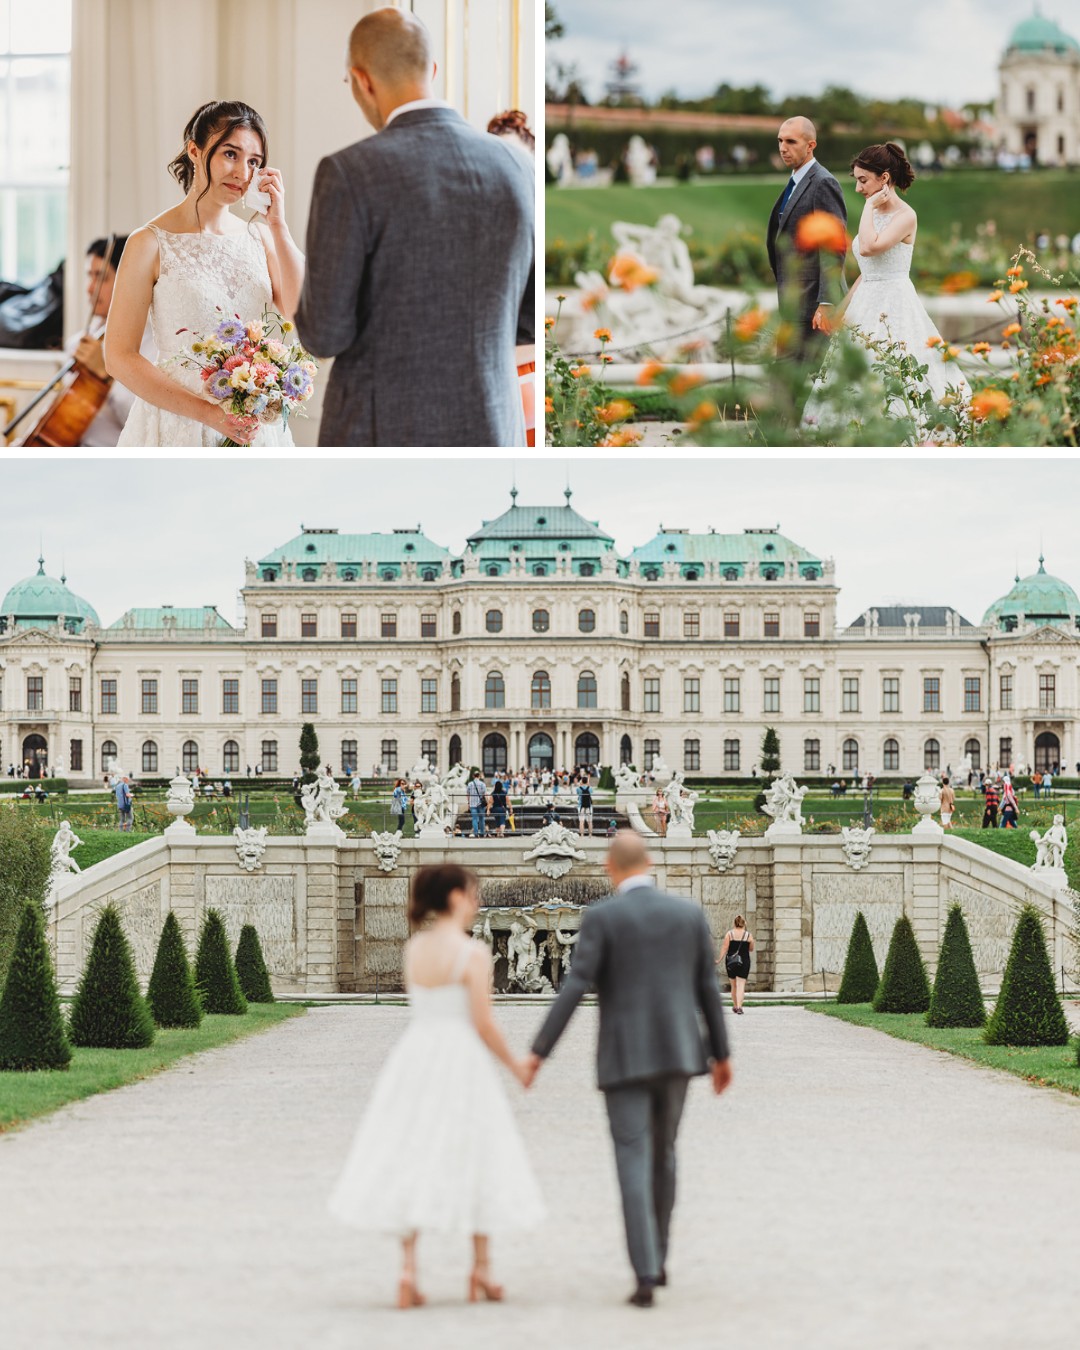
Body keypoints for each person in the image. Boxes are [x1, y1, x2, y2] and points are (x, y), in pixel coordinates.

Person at [294, 8, 534, 447]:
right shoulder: (519, 165)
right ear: (433, 70)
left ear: (361, 80)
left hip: (383, 433)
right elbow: (529, 318)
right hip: (494, 427)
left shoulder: (348, 172)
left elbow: (324, 334)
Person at [523, 833, 731, 1307]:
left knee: (632, 1160)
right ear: (649, 863)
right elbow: (707, 989)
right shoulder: (688, 914)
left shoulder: (601, 917)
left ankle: (644, 1271)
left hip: (623, 1058)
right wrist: (722, 1055)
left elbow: (575, 986)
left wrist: (539, 1052)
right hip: (679, 1055)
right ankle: (659, 1257)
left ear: (609, 868)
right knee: (666, 1156)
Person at [328, 864, 543, 1306]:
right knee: (478, 1150)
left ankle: (408, 1271)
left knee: (411, 1149)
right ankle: (480, 1271)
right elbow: (483, 1023)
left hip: (416, 1055)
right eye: (472, 893)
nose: (478, 901)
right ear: (454, 898)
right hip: (460, 1057)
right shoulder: (472, 953)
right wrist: (517, 1066)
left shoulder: (416, 948)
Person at [105, 100, 304, 447]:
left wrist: (279, 225)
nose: (243, 173)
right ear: (195, 151)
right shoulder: (148, 243)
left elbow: (304, 314)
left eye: (253, 162)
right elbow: (119, 357)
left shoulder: (260, 237)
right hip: (174, 427)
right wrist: (210, 415)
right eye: (230, 154)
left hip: (253, 427)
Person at [803, 142, 971, 440]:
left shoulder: (906, 216)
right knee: (854, 370)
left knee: (895, 368)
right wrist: (840, 310)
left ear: (884, 178)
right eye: (856, 180)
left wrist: (868, 207)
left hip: (895, 306)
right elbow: (866, 273)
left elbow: (868, 248)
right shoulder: (872, 212)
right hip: (865, 303)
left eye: (862, 180)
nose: (858, 188)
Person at [766, 116, 848, 363]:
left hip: (813, 305)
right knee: (789, 379)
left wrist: (826, 302)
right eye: (780, 140)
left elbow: (833, 246)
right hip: (794, 301)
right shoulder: (795, 181)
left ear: (811, 145)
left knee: (802, 381)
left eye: (791, 141)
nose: (783, 147)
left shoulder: (823, 182)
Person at [64, 237, 157, 447]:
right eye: (90, 276)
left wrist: (103, 375)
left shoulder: (152, 345)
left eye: (101, 277)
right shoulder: (77, 343)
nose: (90, 288)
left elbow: (141, 424)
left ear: (127, 281)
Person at [718, 915, 755, 1014]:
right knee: (741, 985)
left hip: (731, 961)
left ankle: (735, 1006)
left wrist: (718, 960)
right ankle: (739, 1007)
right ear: (744, 923)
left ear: (734, 923)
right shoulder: (748, 935)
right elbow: (751, 949)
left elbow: (725, 948)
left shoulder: (729, 934)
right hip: (744, 961)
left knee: (733, 985)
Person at [466, 770, 488, 838]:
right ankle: (482, 832)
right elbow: (485, 794)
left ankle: (476, 833)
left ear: (473, 776)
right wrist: (487, 803)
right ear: (479, 776)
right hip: (481, 804)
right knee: (481, 818)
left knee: (474, 819)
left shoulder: (470, 784)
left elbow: (467, 794)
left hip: (472, 804)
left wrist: (468, 803)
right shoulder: (482, 784)